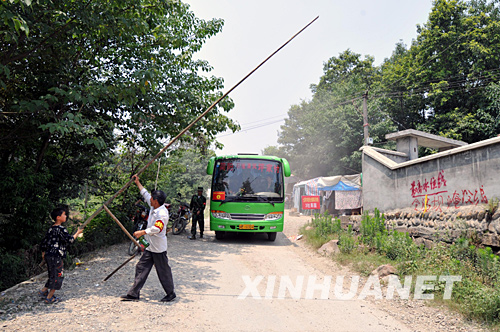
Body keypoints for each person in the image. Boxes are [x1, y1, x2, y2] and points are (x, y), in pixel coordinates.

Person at [120, 174, 176, 302]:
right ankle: (134, 294)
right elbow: (145, 193)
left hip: (159, 249)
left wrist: (142, 232)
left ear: (156, 200)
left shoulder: (162, 214)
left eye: (152, 198)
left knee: (163, 272)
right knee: (141, 267)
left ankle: (171, 293)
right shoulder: (153, 206)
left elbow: (157, 229)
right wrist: (137, 182)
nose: (149, 199)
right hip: (150, 247)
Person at [39, 207, 83, 304]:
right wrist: (78, 233)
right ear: (58, 217)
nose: (66, 216)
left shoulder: (51, 229)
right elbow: (70, 240)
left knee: (52, 274)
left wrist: (43, 253)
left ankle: (43, 291)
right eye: (64, 214)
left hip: (49, 255)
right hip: (56, 256)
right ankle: (49, 297)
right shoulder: (61, 229)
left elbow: (44, 243)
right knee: (58, 275)